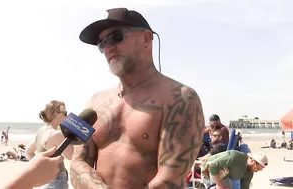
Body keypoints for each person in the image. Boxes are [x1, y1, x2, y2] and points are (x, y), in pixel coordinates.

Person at [70, 8, 205, 189]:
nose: (108, 48)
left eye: (115, 37)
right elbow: (77, 163)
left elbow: (168, 181)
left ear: (146, 39)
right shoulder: (96, 102)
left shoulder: (179, 99)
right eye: (101, 44)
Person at [26, 100, 73, 189]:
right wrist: (72, 135)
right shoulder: (56, 134)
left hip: (44, 180)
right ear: (56, 113)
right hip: (57, 181)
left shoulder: (41, 131)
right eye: (65, 113)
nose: (66, 116)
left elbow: (29, 151)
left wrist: (40, 169)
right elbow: (71, 156)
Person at [201, 150, 268, 189]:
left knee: (229, 185)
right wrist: (219, 184)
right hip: (210, 168)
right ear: (252, 160)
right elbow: (213, 166)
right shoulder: (234, 157)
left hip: (225, 175)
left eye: (259, 170)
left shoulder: (249, 173)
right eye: (257, 168)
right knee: (225, 185)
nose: (256, 171)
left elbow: (244, 187)